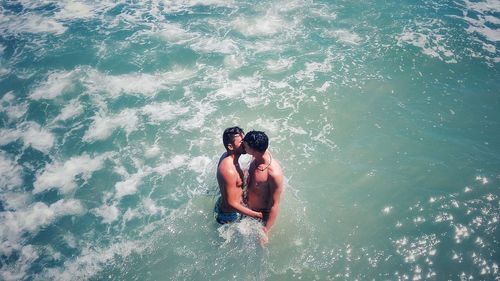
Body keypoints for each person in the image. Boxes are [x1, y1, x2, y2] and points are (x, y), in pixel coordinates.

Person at [215, 127, 263, 224]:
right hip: (229, 215)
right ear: (230, 147)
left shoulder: (228, 157)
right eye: (242, 142)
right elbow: (231, 203)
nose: (245, 143)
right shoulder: (228, 170)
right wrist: (257, 215)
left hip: (231, 206)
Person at [243, 131, 283, 244]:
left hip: (258, 216)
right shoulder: (257, 156)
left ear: (254, 150)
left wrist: (265, 231)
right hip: (247, 208)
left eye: (245, 146)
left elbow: (275, 204)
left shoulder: (273, 173)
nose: (243, 147)